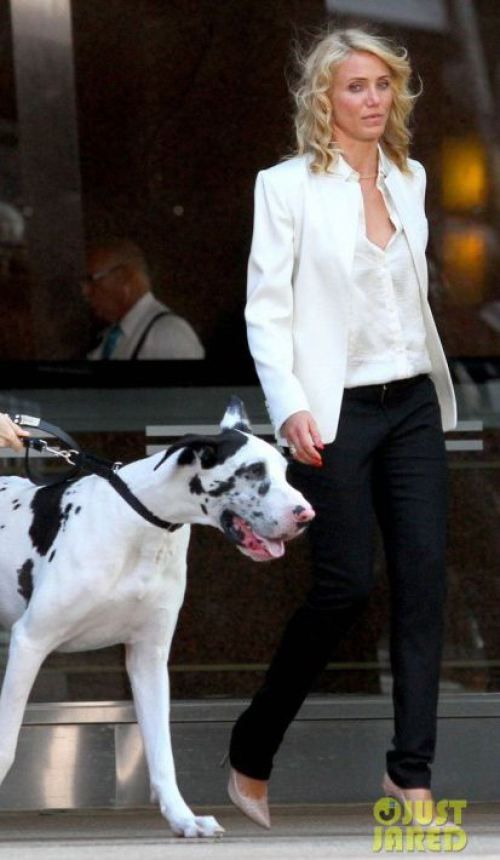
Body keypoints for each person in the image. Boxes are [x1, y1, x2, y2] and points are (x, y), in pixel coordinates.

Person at [227, 28, 457, 829]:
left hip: (412, 405)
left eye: (382, 86)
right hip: (333, 411)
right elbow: (268, 308)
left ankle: (411, 776)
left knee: (424, 581)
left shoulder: (410, 176)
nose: (371, 100)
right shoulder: (285, 186)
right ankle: (253, 748)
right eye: (354, 86)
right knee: (345, 585)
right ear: (322, 99)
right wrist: (288, 402)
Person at [82, 238, 205, 359]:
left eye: (92, 280)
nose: (85, 291)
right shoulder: (110, 336)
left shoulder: (167, 335)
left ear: (124, 277)